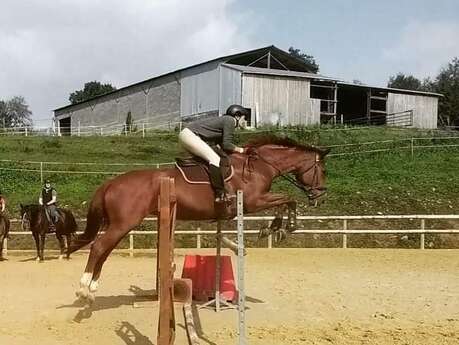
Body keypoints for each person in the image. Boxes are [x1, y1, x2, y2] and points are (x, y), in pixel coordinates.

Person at [178, 104, 249, 202]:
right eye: (244, 118)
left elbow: (220, 146)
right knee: (215, 159)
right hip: (191, 135)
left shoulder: (224, 120)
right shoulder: (230, 121)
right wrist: (241, 150)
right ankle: (220, 194)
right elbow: (227, 145)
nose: (245, 122)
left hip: (187, 135)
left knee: (213, 158)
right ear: (237, 116)